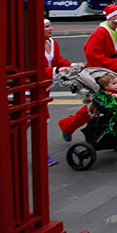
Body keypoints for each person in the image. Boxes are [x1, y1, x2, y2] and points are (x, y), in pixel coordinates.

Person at [44, 18, 77, 166]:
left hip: (45, 87)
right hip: (30, 89)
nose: (51, 29)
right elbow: (33, 68)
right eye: (46, 26)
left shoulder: (53, 43)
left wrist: (72, 65)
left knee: (38, 121)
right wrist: (56, 71)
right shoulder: (31, 45)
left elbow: (58, 60)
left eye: (50, 25)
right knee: (38, 121)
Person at [82, 4, 117, 74]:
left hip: (108, 66)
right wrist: (115, 63)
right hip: (100, 68)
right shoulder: (100, 31)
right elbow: (92, 55)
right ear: (112, 17)